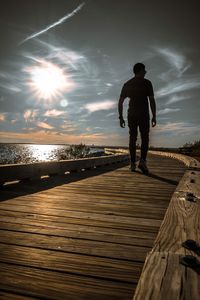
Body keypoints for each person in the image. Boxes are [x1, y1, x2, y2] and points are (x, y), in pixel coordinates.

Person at [118, 63, 156, 174]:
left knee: (132, 138)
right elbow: (151, 100)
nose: (146, 72)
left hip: (132, 115)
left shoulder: (128, 84)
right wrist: (154, 115)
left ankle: (133, 163)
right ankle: (142, 161)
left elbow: (120, 102)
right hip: (143, 114)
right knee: (145, 138)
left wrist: (121, 117)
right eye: (144, 70)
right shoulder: (147, 83)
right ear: (140, 71)